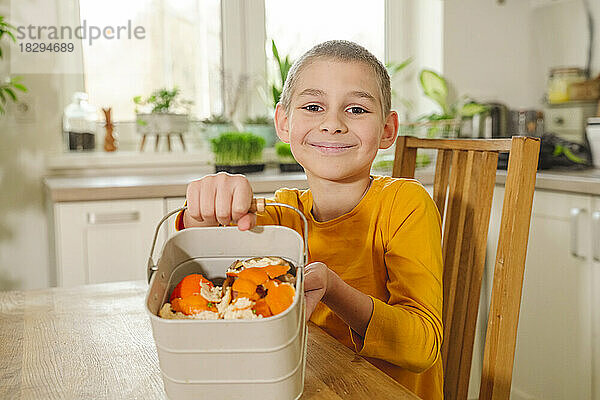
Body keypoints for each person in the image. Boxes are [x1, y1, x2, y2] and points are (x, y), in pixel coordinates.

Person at [176, 40, 443, 400]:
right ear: (284, 124)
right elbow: (208, 262)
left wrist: (333, 289)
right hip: (310, 386)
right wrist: (203, 209)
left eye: (357, 109)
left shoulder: (405, 204)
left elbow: (423, 346)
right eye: (314, 106)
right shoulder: (285, 213)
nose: (332, 124)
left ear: (387, 130)